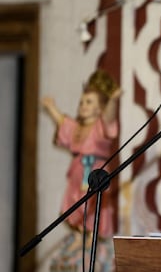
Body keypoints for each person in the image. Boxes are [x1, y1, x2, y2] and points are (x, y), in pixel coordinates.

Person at [42, 69, 121, 271]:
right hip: (77, 176)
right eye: (82, 102)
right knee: (74, 203)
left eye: (89, 102)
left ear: (99, 108)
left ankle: (92, 237)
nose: (83, 106)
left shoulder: (100, 128)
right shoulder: (77, 128)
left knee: (94, 205)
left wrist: (112, 101)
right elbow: (63, 123)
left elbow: (110, 117)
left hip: (94, 174)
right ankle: (79, 233)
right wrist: (52, 108)